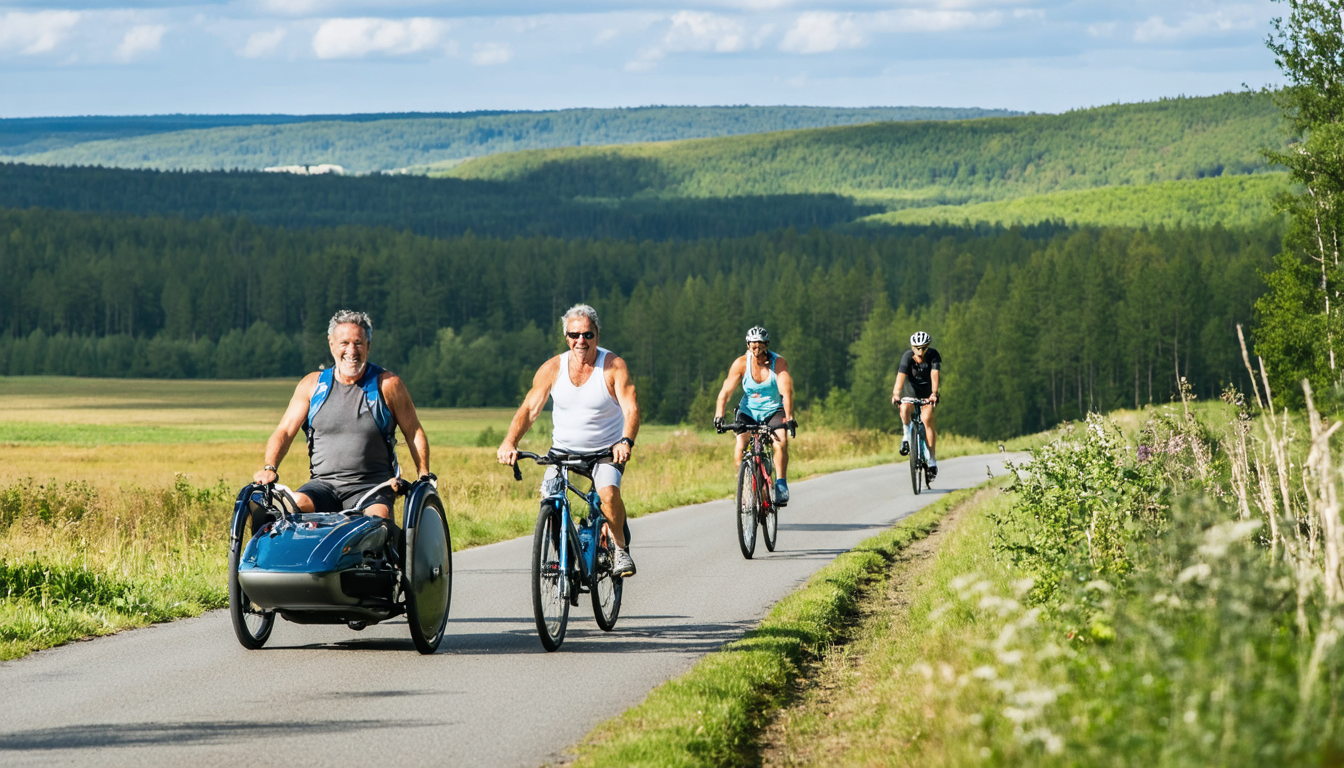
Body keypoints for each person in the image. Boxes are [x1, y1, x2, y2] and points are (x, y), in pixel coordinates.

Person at [496, 304, 641, 577]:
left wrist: (625, 441)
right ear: (566, 337)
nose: (580, 341)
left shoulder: (612, 367)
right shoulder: (553, 368)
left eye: (587, 334)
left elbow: (631, 409)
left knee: (608, 494)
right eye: (574, 335)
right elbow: (529, 409)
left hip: (605, 452)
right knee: (550, 498)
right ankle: (563, 553)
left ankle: (620, 547)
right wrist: (509, 441)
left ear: (597, 334)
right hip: (562, 453)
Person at [254, 309, 430, 519]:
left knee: (377, 521)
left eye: (358, 343)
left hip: (372, 489)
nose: (351, 351)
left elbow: (413, 431)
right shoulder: (312, 385)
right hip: (323, 486)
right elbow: (284, 431)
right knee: (292, 507)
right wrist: (269, 467)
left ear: (368, 346)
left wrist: (424, 475)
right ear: (331, 344)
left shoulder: (388, 385)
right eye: (344, 343)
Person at [712, 326, 797, 504]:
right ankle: (743, 485)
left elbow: (786, 392)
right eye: (752, 345)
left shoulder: (778, 363)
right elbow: (725, 391)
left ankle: (781, 483)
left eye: (759, 345)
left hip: (773, 410)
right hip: (749, 411)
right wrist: (719, 415)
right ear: (747, 345)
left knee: (780, 443)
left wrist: (789, 418)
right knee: (741, 444)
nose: (756, 349)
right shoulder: (741, 363)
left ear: (767, 345)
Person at [891, 330, 941, 479]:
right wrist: (896, 394)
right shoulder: (907, 357)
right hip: (910, 391)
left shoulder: (933, 356)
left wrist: (933, 393)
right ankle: (906, 435)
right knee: (905, 408)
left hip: (928, 392)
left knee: (926, 420)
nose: (920, 351)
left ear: (928, 347)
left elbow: (934, 375)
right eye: (917, 348)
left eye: (924, 348)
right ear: (912, 348)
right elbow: (901, 375)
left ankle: (931, 459)